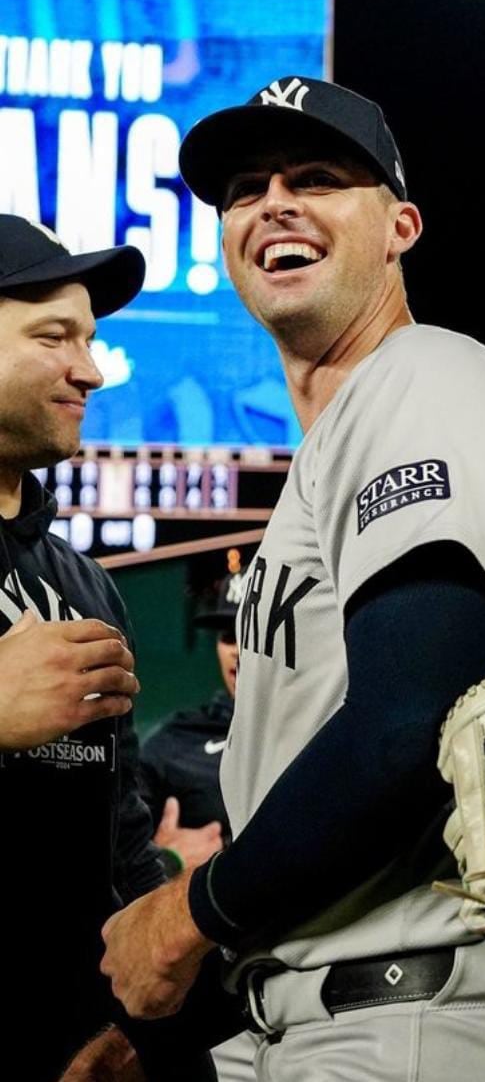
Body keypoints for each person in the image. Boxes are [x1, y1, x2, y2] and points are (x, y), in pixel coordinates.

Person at [100, 75, 485, 1080]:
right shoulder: (342, 443)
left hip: (430, 1016)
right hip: (350, 1010)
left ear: (400, 226)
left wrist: (187, 916)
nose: (274, 203)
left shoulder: (422, 379)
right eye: (246, 190)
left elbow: (405, 725)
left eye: (316, 178)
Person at [0, 216, 218, 1080]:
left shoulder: (84, 585)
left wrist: (139, 1024)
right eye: (53, 337)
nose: (91, 369)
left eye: (90, 340)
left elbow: (117, 838)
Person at [138, 560, 259, 1081]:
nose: (234, 649)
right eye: (225, 635)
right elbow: (120, 857)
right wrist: (160, 856)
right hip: (220, 994)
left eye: (247, 630)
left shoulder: (330, 724)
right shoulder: (173, 743)